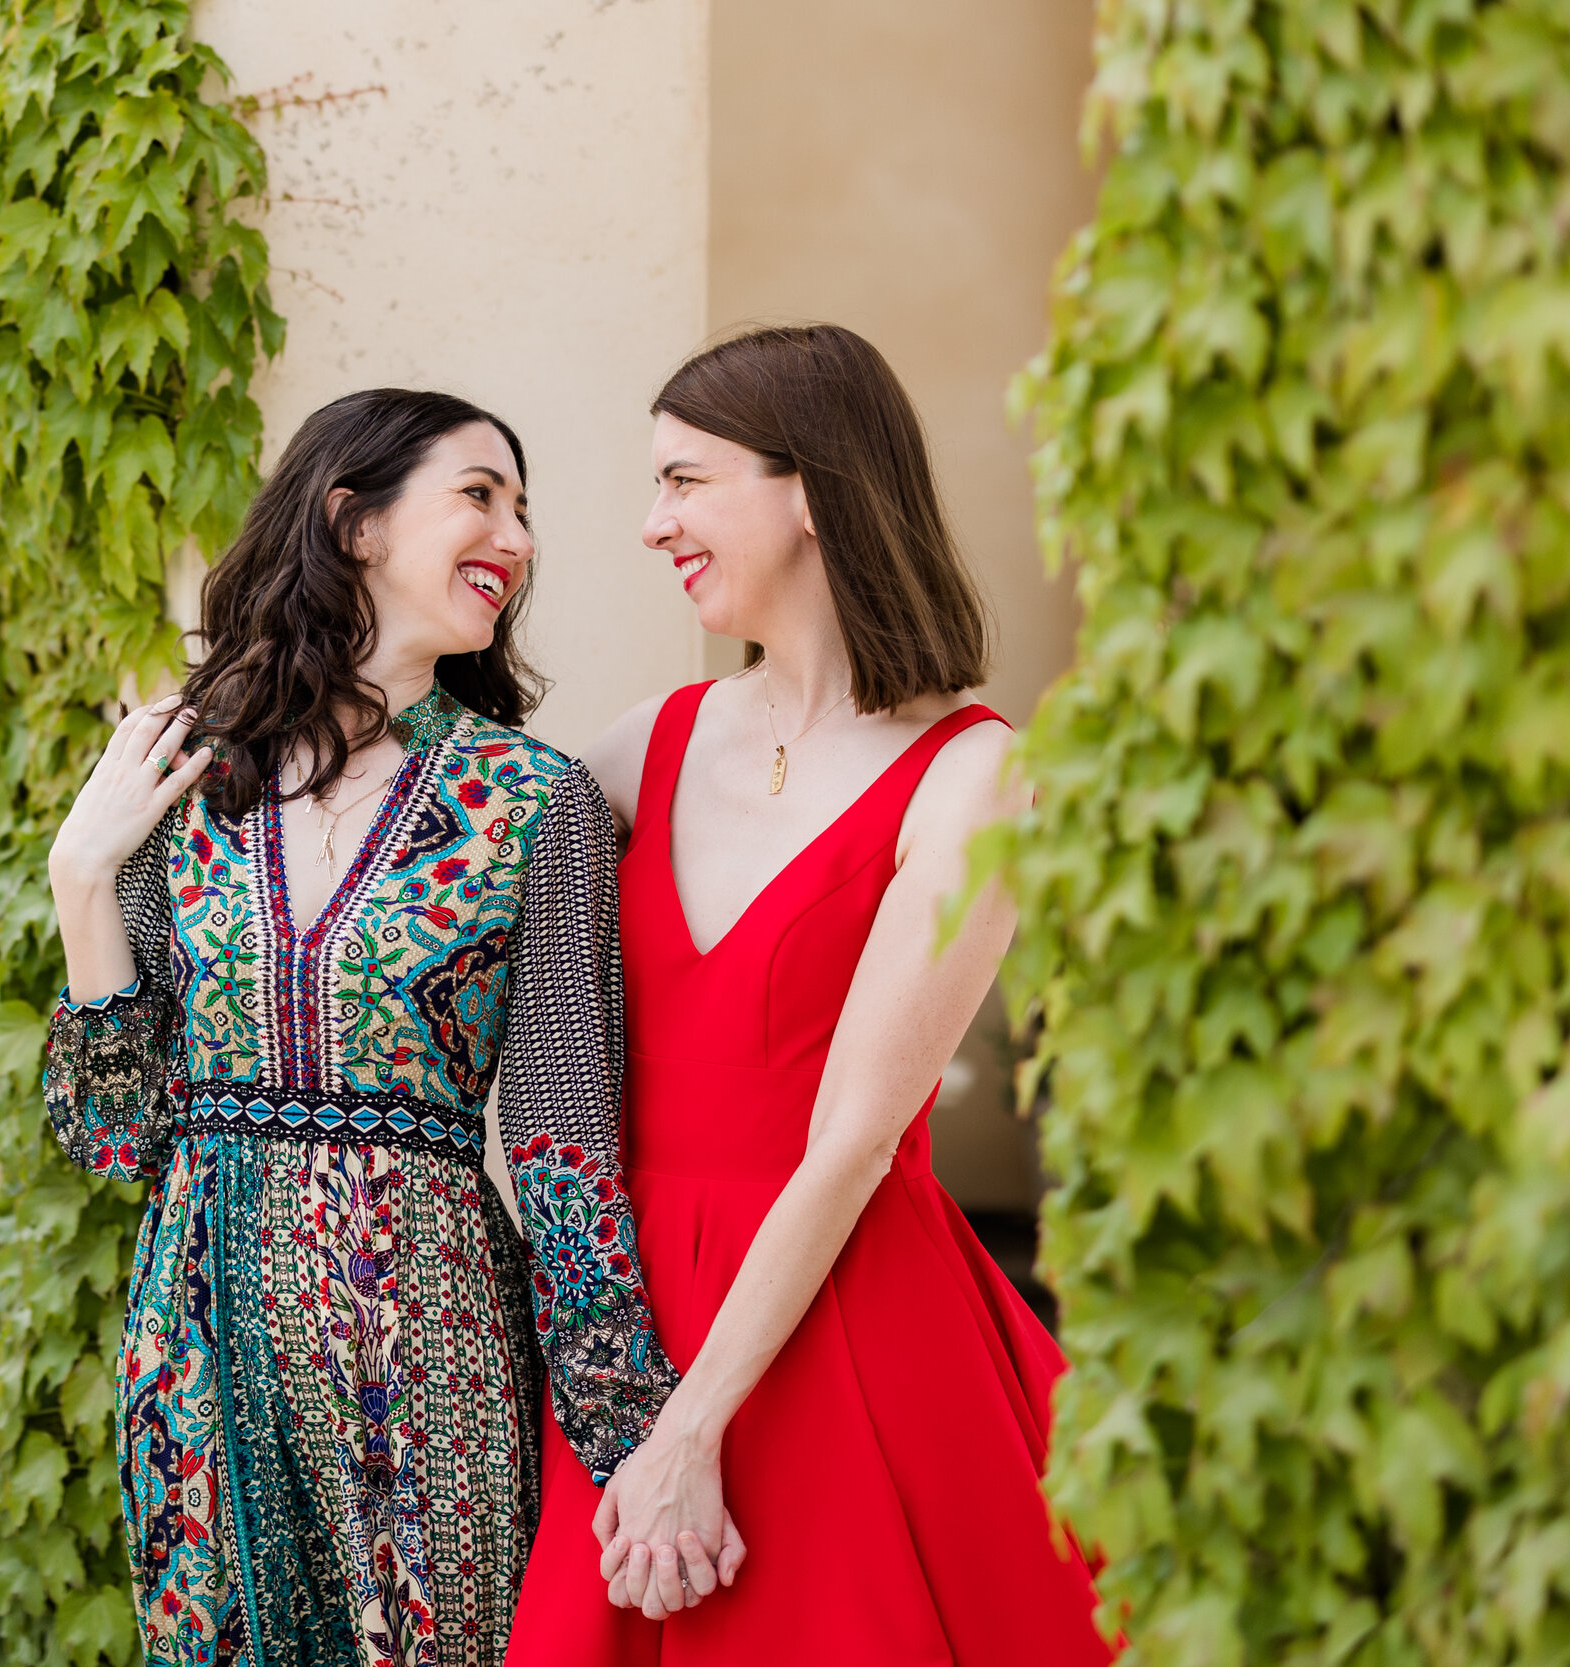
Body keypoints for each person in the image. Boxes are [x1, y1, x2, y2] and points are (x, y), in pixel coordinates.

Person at [42, 388, 720, 1667]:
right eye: (480, 495)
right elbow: (113, 1138)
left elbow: (568, 1136)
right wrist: (84, 881)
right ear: (352, 521)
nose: (515, 538)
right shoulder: (182, 773)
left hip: (436, 1328)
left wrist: (637, 1431)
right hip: (195, 1332)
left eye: (524, 510)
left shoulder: (534, 800)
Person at [507, 326, 1113, 1664]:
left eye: (684, 480)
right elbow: (439, 845)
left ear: (811, 486)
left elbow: (848, 1139)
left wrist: (686, 1430)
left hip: (837, 1320)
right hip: (630, 1303)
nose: (651, 520)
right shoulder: (645, 740)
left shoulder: (973, 773)